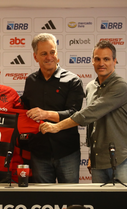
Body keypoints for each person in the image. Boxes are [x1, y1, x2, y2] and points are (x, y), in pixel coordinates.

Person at [40, 40, 127, 183]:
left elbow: (89, 114)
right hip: (98, 162)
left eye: (106, 59)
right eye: (97, 59)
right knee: (100, 205)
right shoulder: (91, 87)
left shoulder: (120, 86)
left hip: (123, 160)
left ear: (115, 61)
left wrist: (57, 126)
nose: (101, 63)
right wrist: (92, 155)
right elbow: (92, 125)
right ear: (92, 61)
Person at [21, 33, 85, 183]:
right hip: (39, 151)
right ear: (35, 57)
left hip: (67, 151)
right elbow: (23, 109)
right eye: (44, 53)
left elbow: (75, 114)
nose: (49, 57)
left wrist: (45, 114)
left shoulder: (73, 80)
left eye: (52, 52)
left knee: (70, 200)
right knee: (43, 202)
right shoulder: (30, 81)